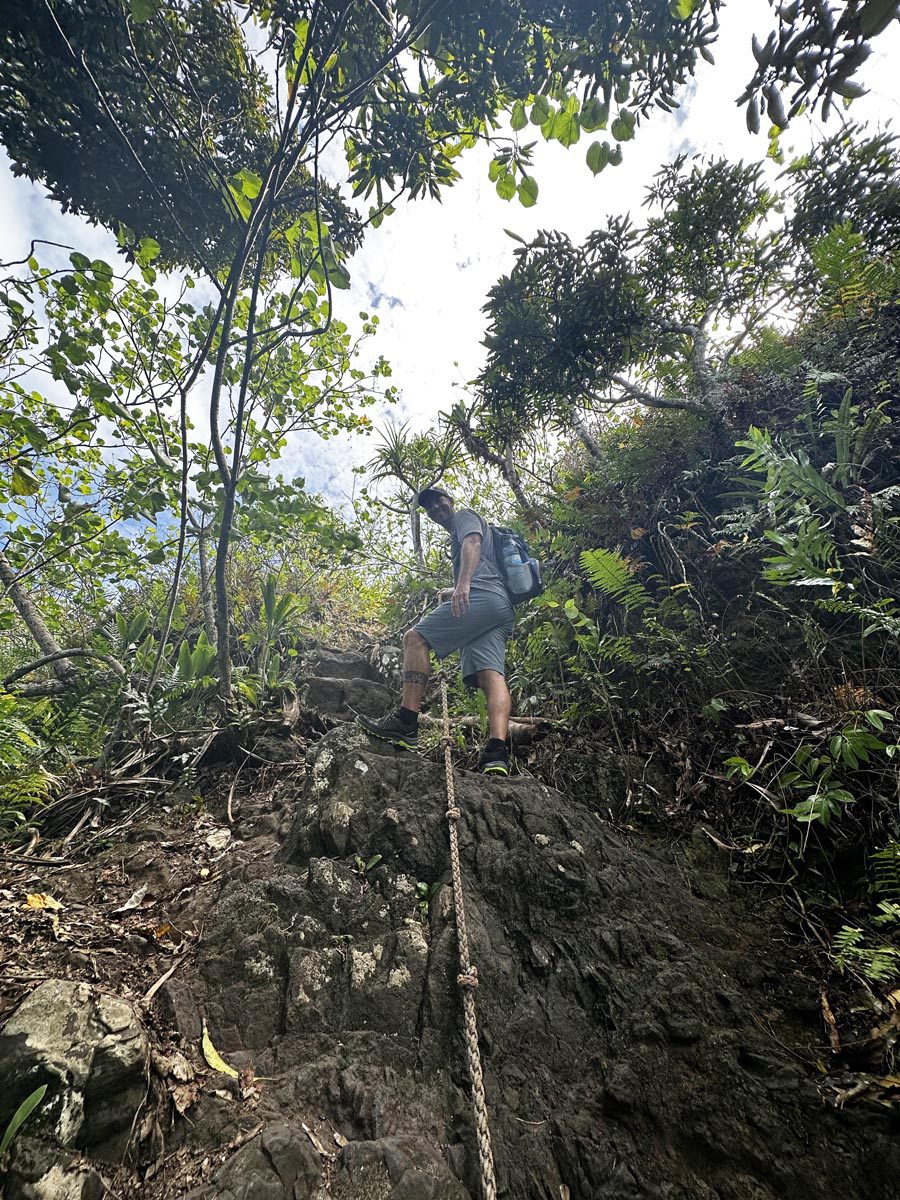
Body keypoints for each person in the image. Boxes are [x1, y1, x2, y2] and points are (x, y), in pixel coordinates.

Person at [358, 486, 514, 775]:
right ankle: (497, 753)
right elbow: (483, 559)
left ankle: (405, 722)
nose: (434, 509)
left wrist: (464, 584)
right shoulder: (463, 530)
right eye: (428, 507)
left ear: (450, 501)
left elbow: (473, 543)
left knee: (414, 639)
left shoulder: (463, 518)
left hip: (482, 595)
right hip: (500, 606)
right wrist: (454, 586)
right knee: (490, 675)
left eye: (438, 502)